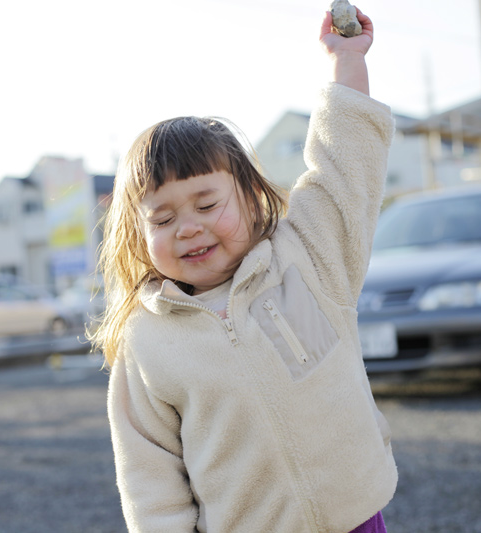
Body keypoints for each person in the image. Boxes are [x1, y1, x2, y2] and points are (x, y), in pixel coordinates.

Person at [94, 7, 397, 533]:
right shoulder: (146, 342)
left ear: (254, 199)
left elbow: (345, 166)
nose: (188, 227)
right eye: (163, 218)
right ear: (137, 237)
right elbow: (149, 478)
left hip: (355, 519)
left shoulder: (306, 257)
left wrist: (346, 62)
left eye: (207, 205)